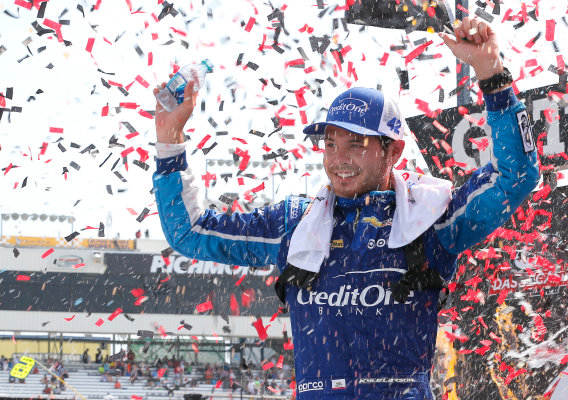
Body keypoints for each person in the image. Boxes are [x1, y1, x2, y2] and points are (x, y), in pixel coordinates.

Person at [152, 17, 539, 400]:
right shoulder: (294, 223)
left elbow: (515, 177)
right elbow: (191, 232)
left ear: (394, 150)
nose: (339, 159)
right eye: (330, 144)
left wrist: (492, 75)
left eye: (357, 144)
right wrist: (169, 142)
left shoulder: (431, 218)